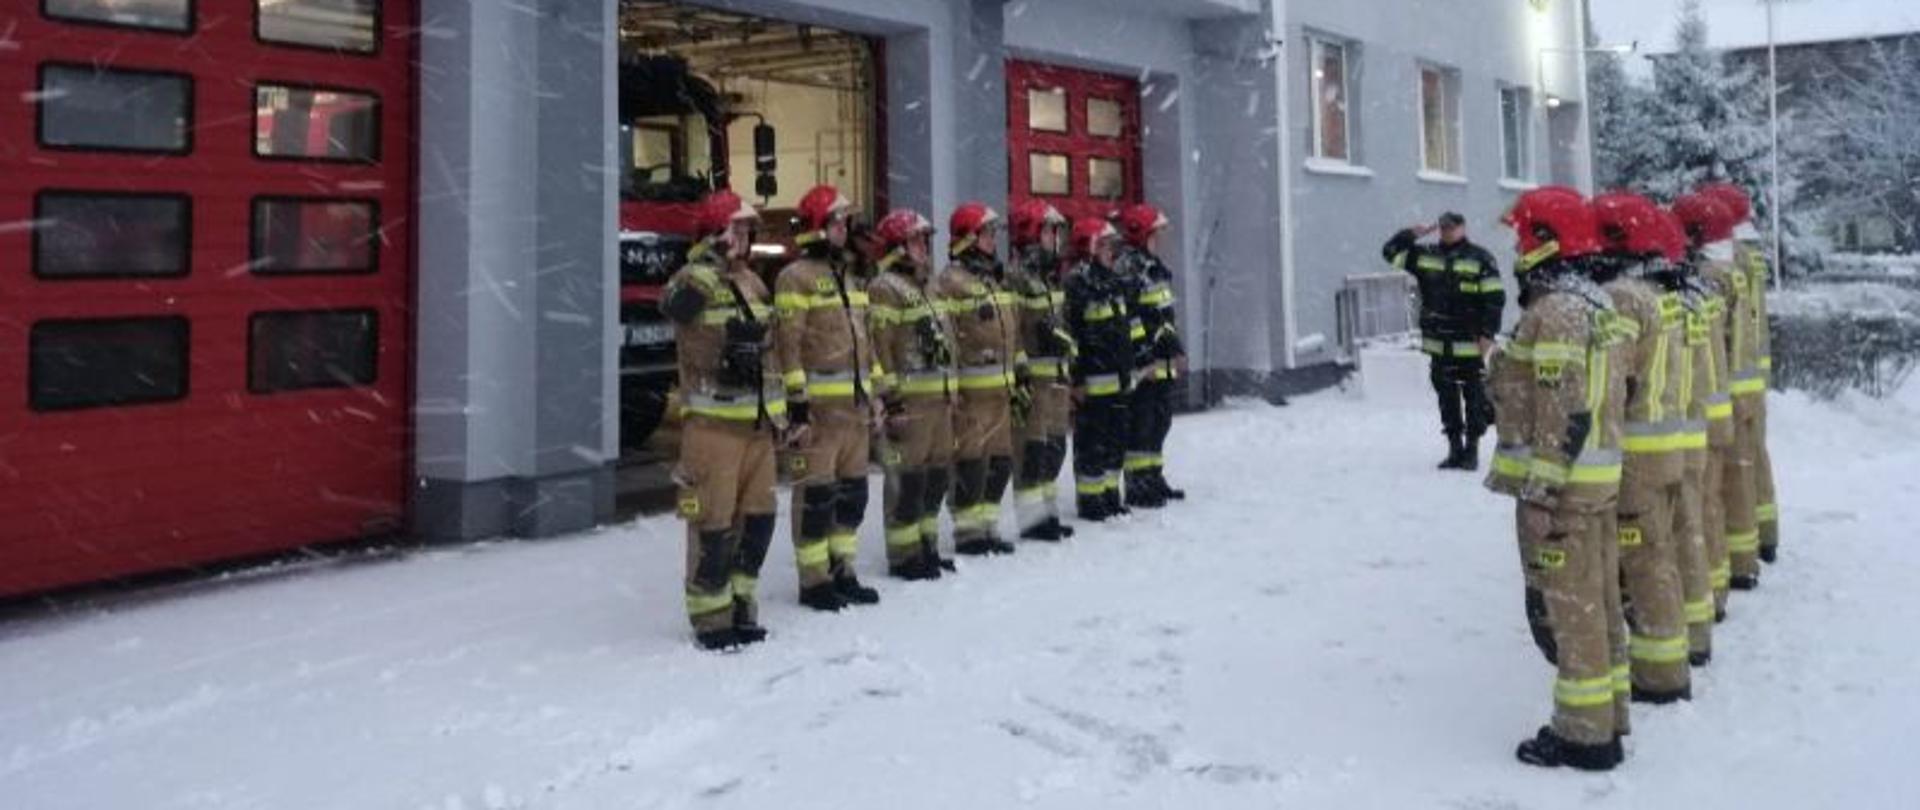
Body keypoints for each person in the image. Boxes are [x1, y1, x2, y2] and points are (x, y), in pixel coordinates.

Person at [1495, 188, 1631, 772]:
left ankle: (1583, 734)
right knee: (1600, 607)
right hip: (1598, 484)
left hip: (1566, 492)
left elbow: (1561, 409)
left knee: (1571, 615)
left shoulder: (1556, 313)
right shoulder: (1598, 304)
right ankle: (1611, 713)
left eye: (1520, 235)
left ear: (1543, 240)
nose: (1514, 246)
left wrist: (1542, 493)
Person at [659, 190, 785, 651]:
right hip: (713, 428)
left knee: (758, 520)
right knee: (713, 524)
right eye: (737, 228)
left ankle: (741, 605)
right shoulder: (695, 278)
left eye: (748, 230)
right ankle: (711, 618)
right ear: (715, 233)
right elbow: (674, 307)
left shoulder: (753, 282)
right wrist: (709, 262)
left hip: (757, 426)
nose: (745, 238)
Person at [1591, 192, 1694, 703]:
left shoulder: (1624, 298)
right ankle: (1670, 654)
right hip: (1667, 444)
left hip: (1637, 455)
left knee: (1643, 561)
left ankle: (1659, 673)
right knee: (1660, 553)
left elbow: (1616, 379)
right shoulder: (1656, 291)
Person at [774, 185, 883, 611]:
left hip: (853, 411)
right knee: (816, 498)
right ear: (820, 227)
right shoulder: (795, 277)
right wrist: (797, 402)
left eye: (845, 222)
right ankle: (814, 580)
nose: (845, 229)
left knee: (852, 495)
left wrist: (875, 393)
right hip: (819, 412)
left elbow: (866, 340)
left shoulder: (850, 277)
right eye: (838, 221)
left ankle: (844, 570)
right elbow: (789, 343)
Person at [867, 208, 960, 580]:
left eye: (925, 239)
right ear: (897, 246)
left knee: (934, 479)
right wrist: (890, 400)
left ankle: (927, 546)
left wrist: (952, 390)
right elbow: (880, 348)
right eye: (916, 239)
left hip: (937, 402)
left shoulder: (930, 285)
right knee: (906, 482)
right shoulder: (884, 288)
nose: (924, 246)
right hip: (909, 404)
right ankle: (904, 555)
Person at [933, 203, 1022, 556]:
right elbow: (948, 337)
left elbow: (1010, 330)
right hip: (971, 393)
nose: (993, 239)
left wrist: (1020, 373)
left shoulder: (992, 278)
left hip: (1000, 389)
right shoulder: (952, 282)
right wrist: (952, 385)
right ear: (968, 238)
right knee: (971, 461)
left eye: (993, 233)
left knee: (1000, 461)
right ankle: (968, 532)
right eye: (987, 233)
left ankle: (986, 524)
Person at [1385, 212, 1506, 470]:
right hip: (1438, 343)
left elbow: (1494, 299)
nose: (1447, 232)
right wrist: (1411, 235)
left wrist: (1488, 334)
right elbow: (1390, 253)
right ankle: (1454, 449)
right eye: (1443, 228)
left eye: (1452, 228)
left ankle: (1472, 450)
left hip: (1469, 343)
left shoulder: (1480, 257)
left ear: (1463, 228)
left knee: (1473, 397)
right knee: (1447, 398)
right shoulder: (1425, 254)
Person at [1700, 183, 1781, 567]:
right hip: (1751, 375)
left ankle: (1742, 553)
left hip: (1732, 380)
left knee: (1733, 472)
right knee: (1752, 463)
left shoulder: (1726, 265)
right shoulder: (1750, 257)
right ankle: (1761, 537)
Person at [1671, 195, 1739, 617]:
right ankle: (1716, 586)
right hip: (1715, 405)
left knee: (1693, 514)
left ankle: (1705, 600)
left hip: (1693, 419)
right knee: (1708, 506)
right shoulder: (1710, 285)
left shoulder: (1698, 285)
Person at [1007, 200, 1078, 541]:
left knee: (1053, 449)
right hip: (1034, 379)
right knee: (1032, 452)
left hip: (1056, 378)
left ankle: (1048, 514)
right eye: (1050, 231)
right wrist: (1020, 373)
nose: (1056, 238)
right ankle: (1032, 520)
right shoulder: (1017, 278)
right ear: (1033, 234)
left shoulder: (1050, 279)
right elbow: (1014, 330)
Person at [1114, 204, 1188, 506]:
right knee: (1141, 423)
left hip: (1163, 358)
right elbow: (1129, 317)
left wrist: (1177, 350)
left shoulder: (1152, 266)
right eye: (1155, 233)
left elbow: (1165, 315)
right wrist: (1143, 355)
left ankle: (1153, 476)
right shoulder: (1130, 268)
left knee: (1160, 421)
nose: (1159, 239)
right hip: (1144, 363)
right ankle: (1138, 483)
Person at [1064, 218, 1135, 522]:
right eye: (1105, 245)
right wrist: (1077, 379)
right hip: (1093, 380)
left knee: (1115, 441)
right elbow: (1073, 335)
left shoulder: (1112, 280)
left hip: (1117, 379)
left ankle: (1109, 493)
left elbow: (1123, 328)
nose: (1111, 252)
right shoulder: (1079, 283)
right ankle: (1090, 499)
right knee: (1092, 442)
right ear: (1090, 247)